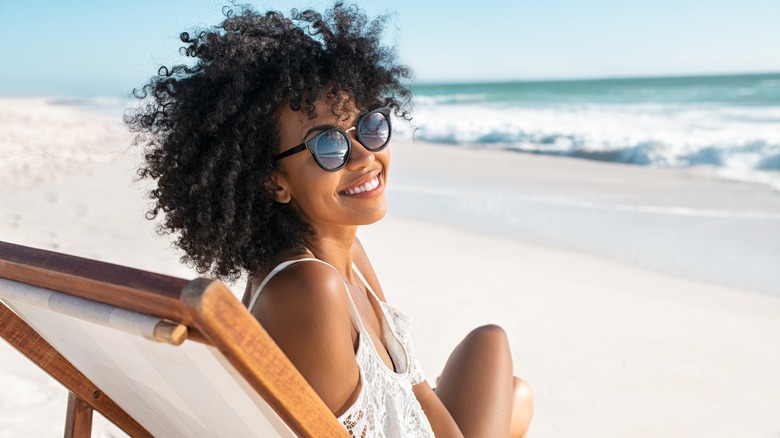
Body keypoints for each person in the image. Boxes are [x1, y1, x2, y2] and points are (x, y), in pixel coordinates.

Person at [126, 3, 533, 436]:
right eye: (328, 145)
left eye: (369, 127)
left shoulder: (347, 251)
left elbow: (414, 389)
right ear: (273, 181)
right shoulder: (307, 288)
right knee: (514, 401)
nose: (364, 156)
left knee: (498, 356)